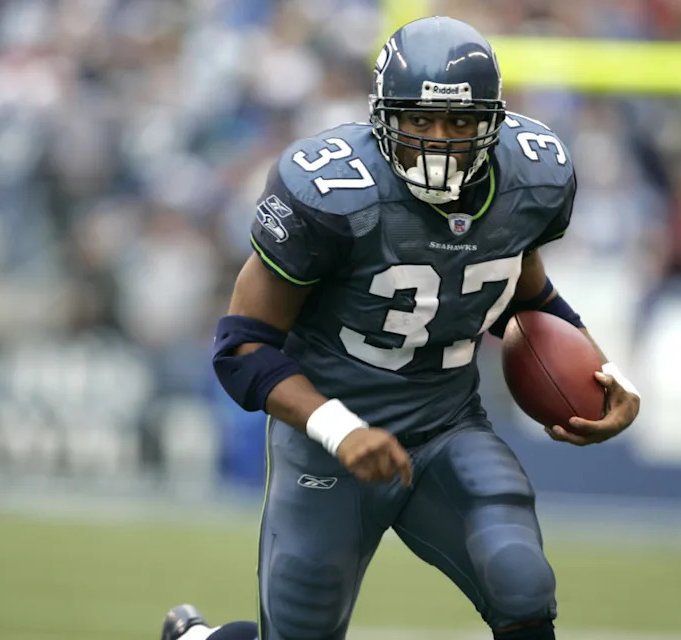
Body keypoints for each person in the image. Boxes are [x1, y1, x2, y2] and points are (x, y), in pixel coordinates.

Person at [163, 15, 641, 640]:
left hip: (446, 428)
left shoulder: (533, 178)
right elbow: (241, 348)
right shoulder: (331, 195)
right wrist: (340, 429)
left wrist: (601, 376)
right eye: (419, 120)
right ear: (384, 117)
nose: (438, 141)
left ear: (491, 123)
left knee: (522, 583)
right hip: (328, 444)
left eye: (459, 122)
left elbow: (526, 296)